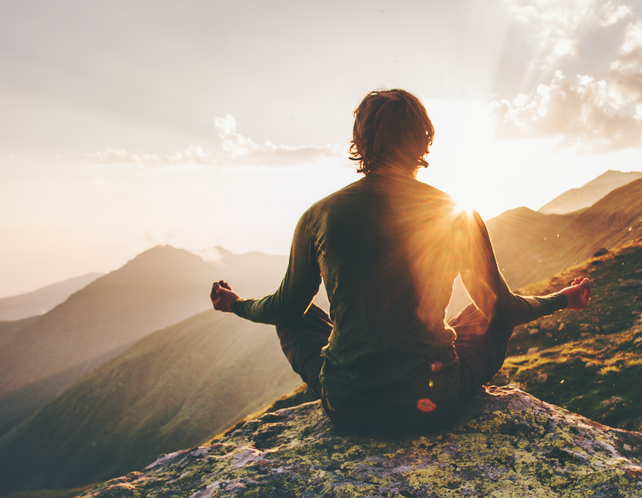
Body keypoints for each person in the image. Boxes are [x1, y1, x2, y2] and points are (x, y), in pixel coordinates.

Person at [211, 88, 591, 435]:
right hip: (433, 404)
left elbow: (283, 307)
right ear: (423, 140)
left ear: (360, 142)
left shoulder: (319, 215)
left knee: (296, 315)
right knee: (486, 313)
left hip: (348, 407)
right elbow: (504, 309)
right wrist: (562, 298)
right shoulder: (457, 213)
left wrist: (236, 304)